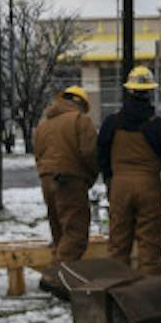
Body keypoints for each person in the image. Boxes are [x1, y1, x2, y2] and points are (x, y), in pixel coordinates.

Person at [97, 66, 161, 276]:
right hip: (149, 188)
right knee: (150, 244)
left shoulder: (111, 122)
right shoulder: (158, 125)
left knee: (118, 243)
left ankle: (118, 290)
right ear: (150, 92)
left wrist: (108, 180)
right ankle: (149, 295)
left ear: (129, 91)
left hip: (120, 187)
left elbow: (102, 154)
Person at [32, 86, 99, 286]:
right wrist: (90, 176)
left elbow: (38, 154)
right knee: (75, 233)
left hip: (47, 179)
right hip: (70, 180)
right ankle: (55, 278)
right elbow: (89, 153)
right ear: (80, 104)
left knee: (59, 231)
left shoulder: (43, 124)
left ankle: (59, 276)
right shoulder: (81, 120)